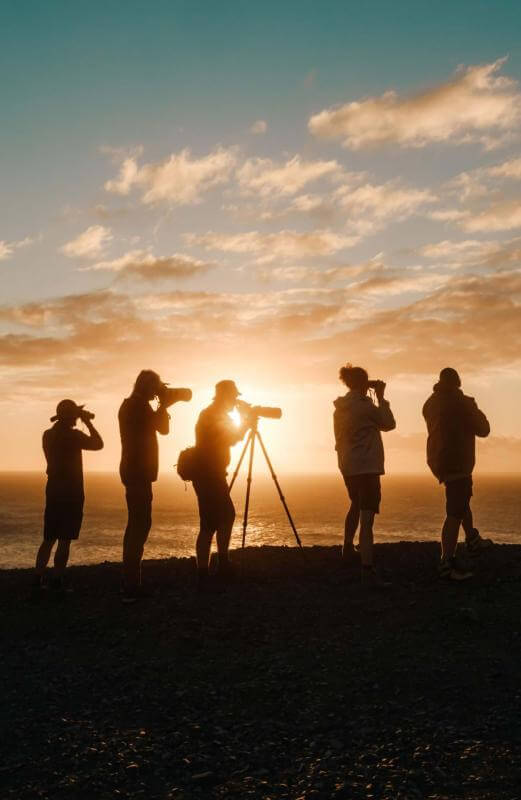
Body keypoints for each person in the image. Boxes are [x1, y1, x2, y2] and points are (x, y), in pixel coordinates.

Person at [423, 367, 492, 581]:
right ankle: (447, 562)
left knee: (462, 502)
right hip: (457, 461)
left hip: (439, 460)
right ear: (457, 382)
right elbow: (484, 429)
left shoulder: (430, 403)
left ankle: (471, 538)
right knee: (454, 512)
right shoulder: (461, 402)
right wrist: (470, 404)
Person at [333, 365, 396, 587]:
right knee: (367, 518)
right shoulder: (364, 407)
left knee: (355, 503)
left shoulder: (340, 407)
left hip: (348, 466)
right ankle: (367, 570)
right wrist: (381, 397)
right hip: (367, 466)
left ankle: (347, 548)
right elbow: (389, 423)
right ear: (363, 383)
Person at [33, 399, 103, 593]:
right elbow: (99, 443)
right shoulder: (74, 436)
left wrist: (76, 414)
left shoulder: (47, 435)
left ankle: (37, 578)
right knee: (64, 539)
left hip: (53, 490)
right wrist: (87, 421)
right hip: (72, 492)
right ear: (70, 417)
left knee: (48, 538)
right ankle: (57, 581)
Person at [192, 380, 251, 591]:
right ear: (226, 396)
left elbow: (229, 438)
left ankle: (213, 568)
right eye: (234, 397)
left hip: (211, 473)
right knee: (214, 521)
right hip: (209, 474)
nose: (235, 401)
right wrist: (245, 421)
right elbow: (231, 438)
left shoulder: (211, 413)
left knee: (220, 518)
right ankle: (208, 571)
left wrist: (243, 420)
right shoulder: (213, 415)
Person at [118, 370, 170, 603]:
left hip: (133, 470)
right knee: (140, 525)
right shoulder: (139, 406)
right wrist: (165, 404)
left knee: (135, 525)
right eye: (156, 386)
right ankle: (131, 586)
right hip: (139, 471)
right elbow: (164, 428)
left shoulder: (129, 405)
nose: (157, 390)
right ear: (148, 386)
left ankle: (131, 581)